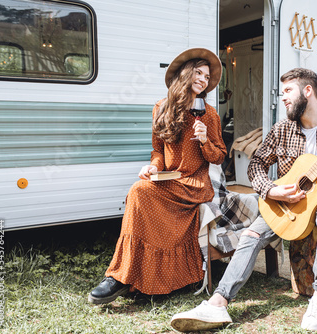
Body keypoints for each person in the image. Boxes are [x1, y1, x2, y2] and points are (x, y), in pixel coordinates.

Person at [170, 68, 317, 331]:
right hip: (287, 204)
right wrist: (271, 190)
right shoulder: (282, 129)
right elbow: (256, 164)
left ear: (308, 91)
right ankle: (218, 302)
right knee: (250, 236)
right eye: (282, 93)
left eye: (288, 91)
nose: (283, 98)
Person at [88, 48, 227, 304]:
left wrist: (206, 140)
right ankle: (125, 276)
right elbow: (157, 150)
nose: (204, 80)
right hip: (170, 179)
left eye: (207, 77)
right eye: (198, 73)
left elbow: (219, 156)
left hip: (195, 185)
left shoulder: (210, 114)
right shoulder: (161, 108)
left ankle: (120, 278)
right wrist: (153, 167)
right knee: (140, 189)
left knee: (139, 192)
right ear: (185, 74)